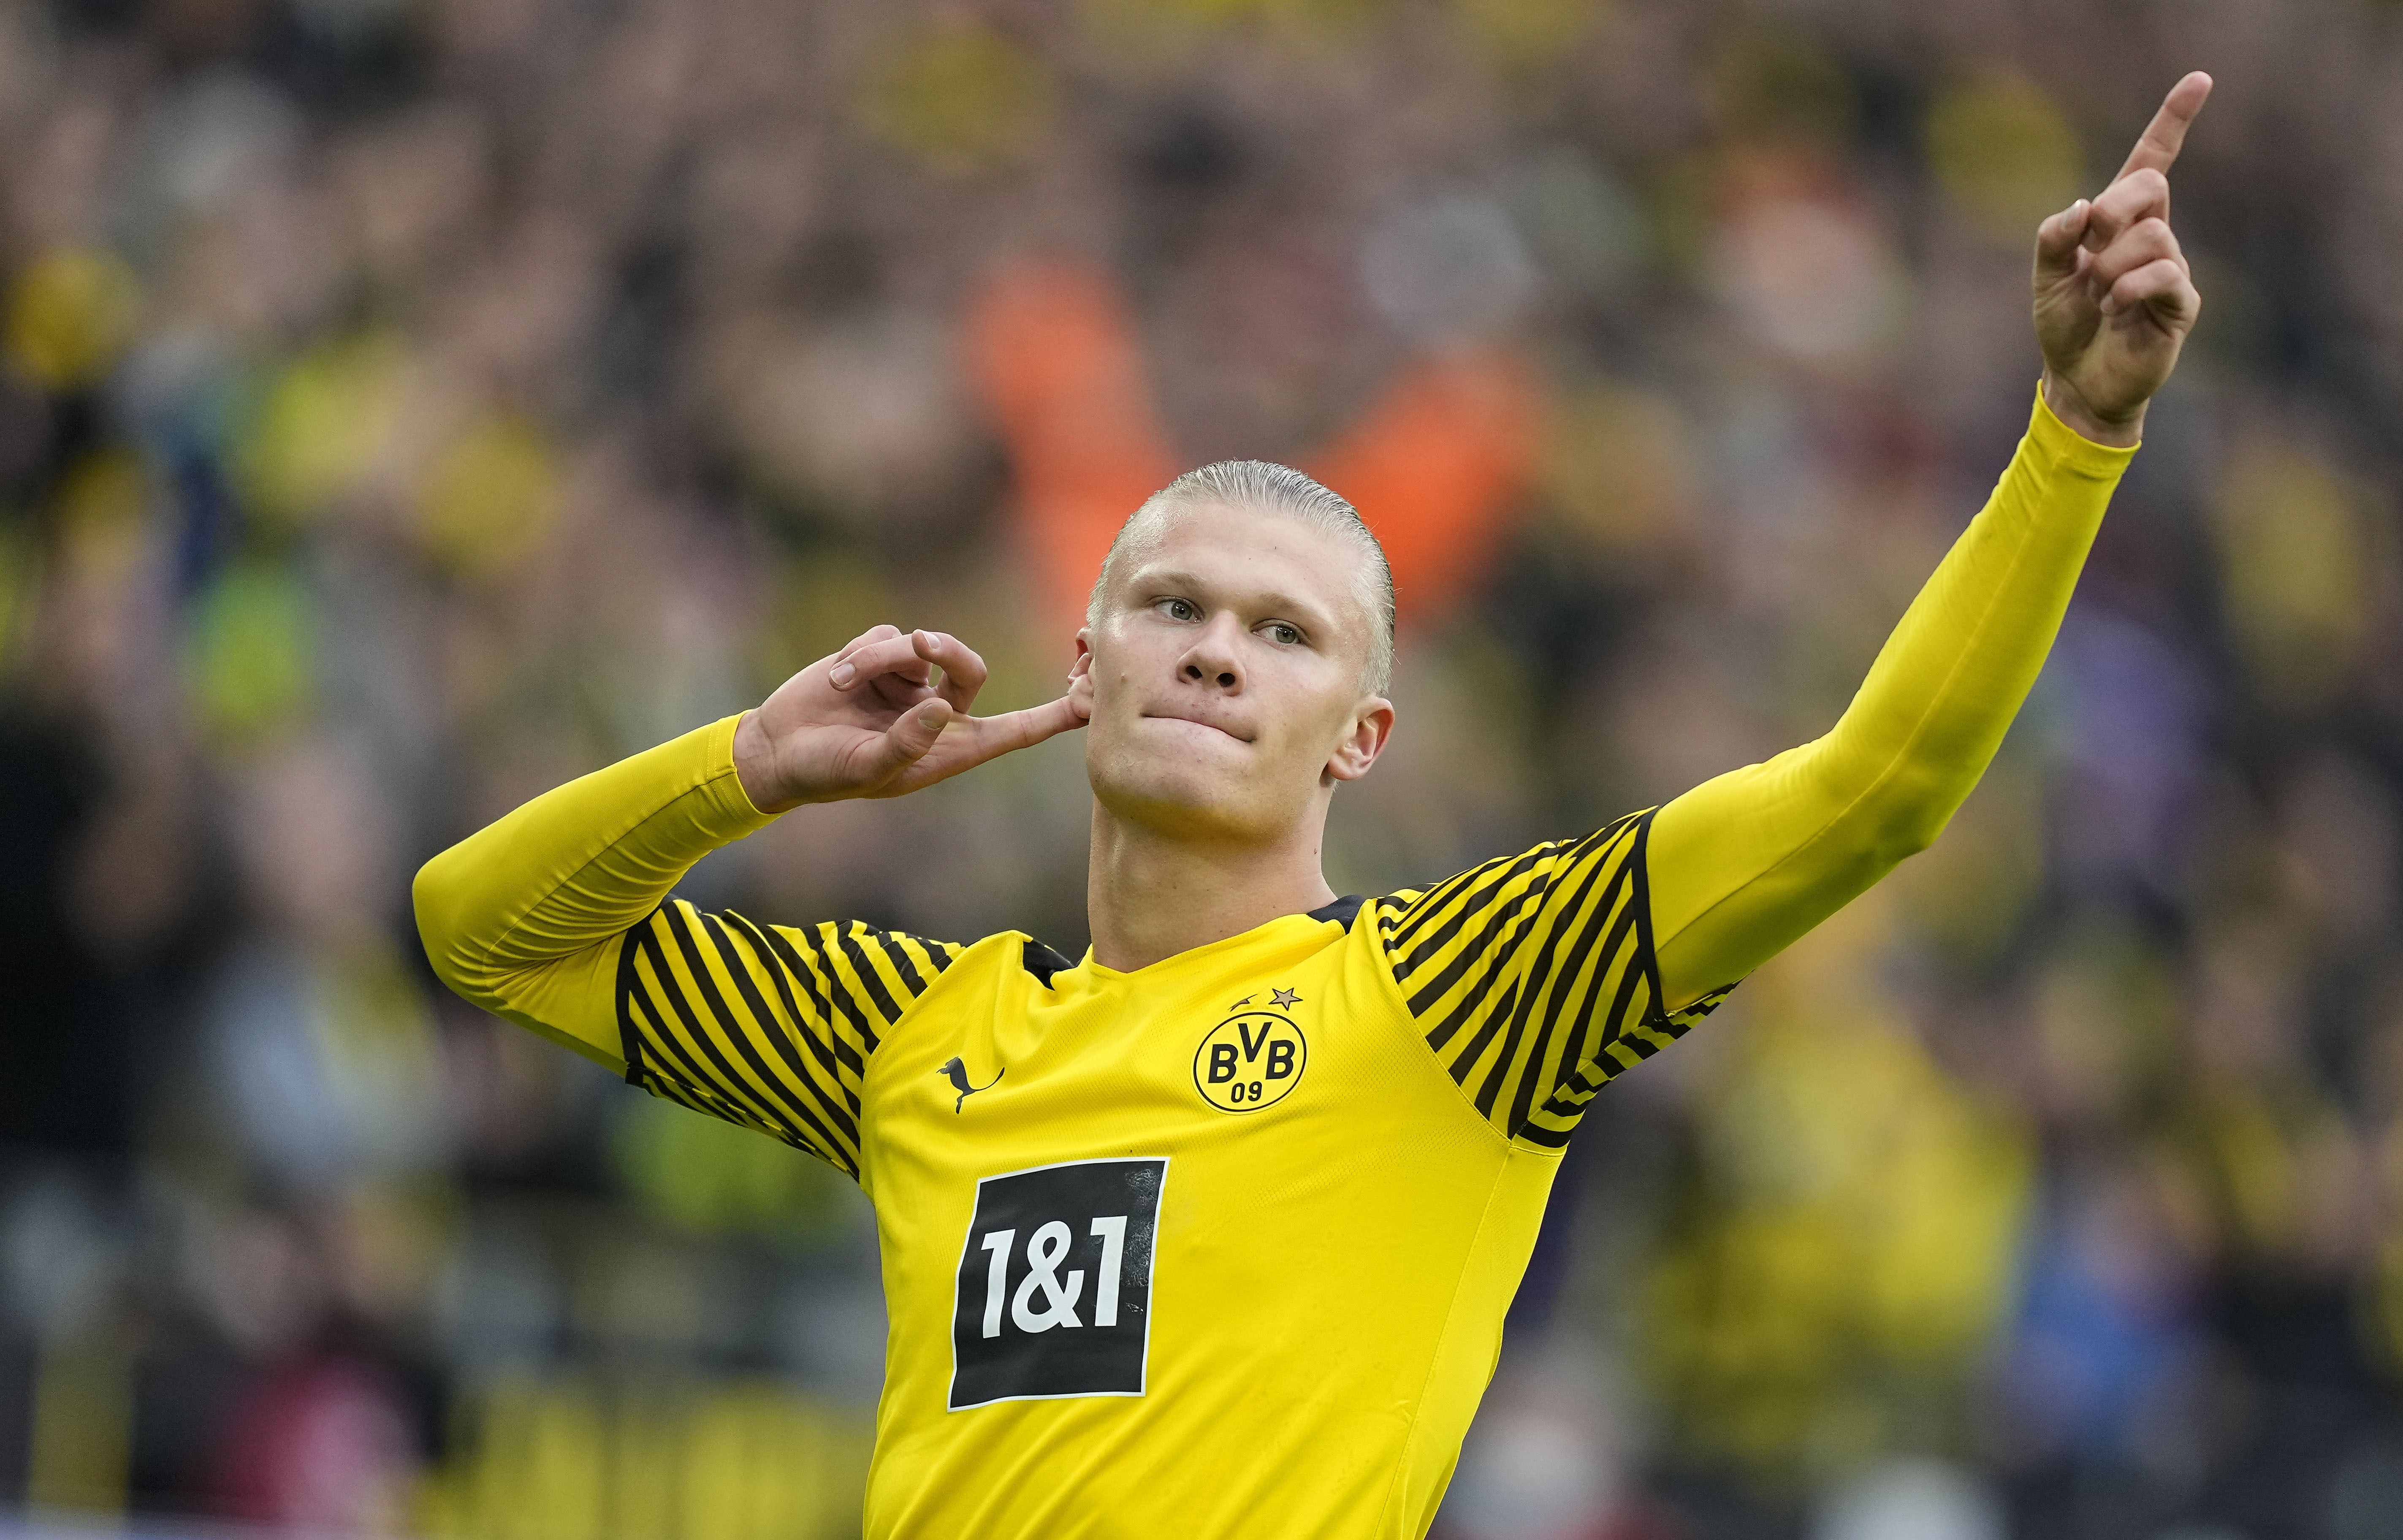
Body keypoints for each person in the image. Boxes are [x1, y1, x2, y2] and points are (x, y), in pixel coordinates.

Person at [414, 72, 2213, 1540]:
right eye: (1172, 608)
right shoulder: (918, 1033)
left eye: (1284, 634)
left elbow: (1877, 790)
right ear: (1087, 662)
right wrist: (743, 770)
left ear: (1361, 737)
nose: (1216, 650)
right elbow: (481, 934)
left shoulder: (1457, 1002)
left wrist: (2075, 436)